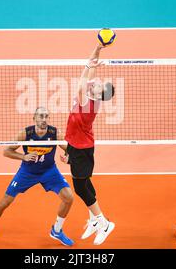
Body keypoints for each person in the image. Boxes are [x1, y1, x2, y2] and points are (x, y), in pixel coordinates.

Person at [0, 107, 74, 246]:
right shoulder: (25, 133)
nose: (44, 119)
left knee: (69, 197)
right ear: (34, 118)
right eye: (41, 116)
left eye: (47, 116)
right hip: (27, 172)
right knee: (5, 202)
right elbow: (7, 151)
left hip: (49, 171)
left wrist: (68, 159)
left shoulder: (55, 133)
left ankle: (57, 230)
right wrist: (24, 156)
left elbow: (70, 151)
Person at [65, 44, 116, 245]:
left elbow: (81, 83)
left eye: (98, 85)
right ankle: (94, 220)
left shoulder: (88, 103)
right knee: (85, 182)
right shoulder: (91, 94)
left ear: (97, 94)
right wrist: (97, 49)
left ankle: (103, 222)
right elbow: (92, 69)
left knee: (79, 187)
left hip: (82, 149)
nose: (96, 82)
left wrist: (88, 67)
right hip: (75, 144)